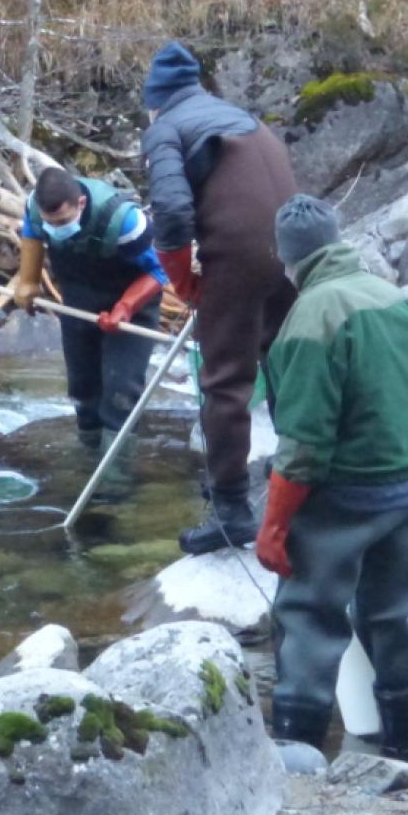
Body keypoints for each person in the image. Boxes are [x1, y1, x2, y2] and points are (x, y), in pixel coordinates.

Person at [254, 195, 408, 763]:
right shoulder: (394, 299)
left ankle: (299, 760)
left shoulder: (312, 317)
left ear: (288, 259)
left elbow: (304, 448)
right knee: (390, 614)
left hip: (345, 498)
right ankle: (402, 752)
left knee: (307, 615)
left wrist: (274, 528)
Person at [141, 40, 298, 554]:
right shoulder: (242, 118)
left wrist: (184, 283)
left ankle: (231, 510)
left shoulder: (166, 127)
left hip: (239, 256)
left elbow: (170, 214)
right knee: (284, 366)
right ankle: (299, 482)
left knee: (225, 382)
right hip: (296, 252)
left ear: (154, 99)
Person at [12, 166, 167, 469]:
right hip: (78, 302)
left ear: (80, 204)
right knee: (83, 391)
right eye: (50, 223)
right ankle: (87, 466)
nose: (56, 228)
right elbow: (32, 233)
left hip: (129, 309)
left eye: (63, 221)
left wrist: (125, 307)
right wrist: (28, 281)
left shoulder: (126, 221)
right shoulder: (35, 207)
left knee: (120, 395)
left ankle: (116, 483)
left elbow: (159, 272)